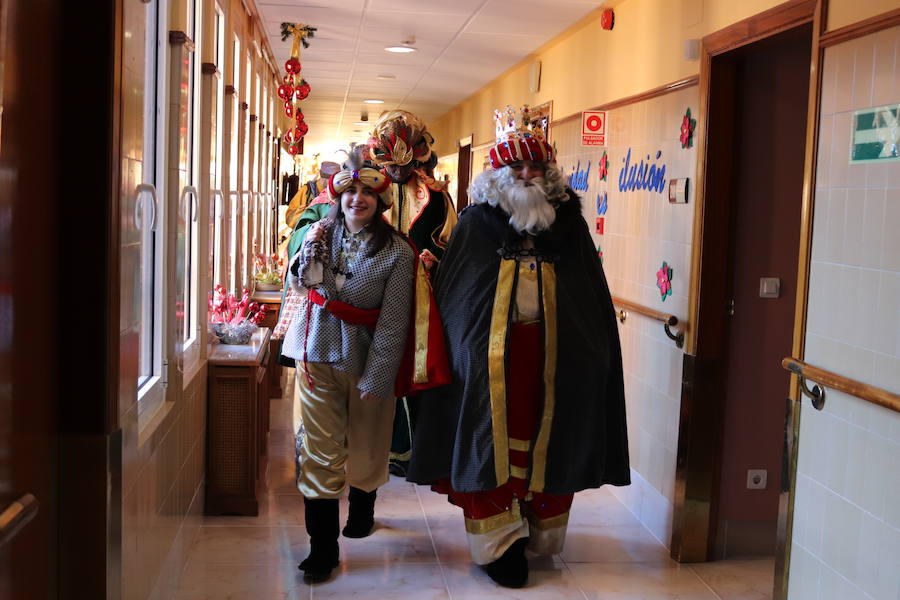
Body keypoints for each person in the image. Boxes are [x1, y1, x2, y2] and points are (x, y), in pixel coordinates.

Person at [407, 105, 630, 588]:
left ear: (549, 173)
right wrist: (465, 353)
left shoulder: (569, 224)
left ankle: (535, 527)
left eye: (535, 167)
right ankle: (498, 542)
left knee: (551, 442)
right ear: (499, 173)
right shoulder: (474, 223)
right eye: (516, 167)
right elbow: (459, 298)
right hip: (489, 365)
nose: (526, 175)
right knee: (491, 446)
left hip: (555, 360)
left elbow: (588, 296)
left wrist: (593, 355)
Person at [281, 150, 415, 583]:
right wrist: (307, 252)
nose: (357, 198)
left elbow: (394, 320)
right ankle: (323, 548)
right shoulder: (320, 231)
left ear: (381, 201)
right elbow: (299, 286)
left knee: (368, 442)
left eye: (367, 192)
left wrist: (378, 378)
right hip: (317, 351)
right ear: (338, 196)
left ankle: (363, 508)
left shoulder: (398, 252)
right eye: (350, 190)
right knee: (320, 452)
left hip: (367, 355)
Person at [365, 110, 458, 476]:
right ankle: (379, 447)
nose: (398, 174)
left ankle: (414, 448)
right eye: (391, 165)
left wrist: (435, 256)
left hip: (424, 296)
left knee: (418, 369)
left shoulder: (436, 196)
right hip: (374, 293)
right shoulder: (367, 190)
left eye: (404, 166)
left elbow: (453, 241)